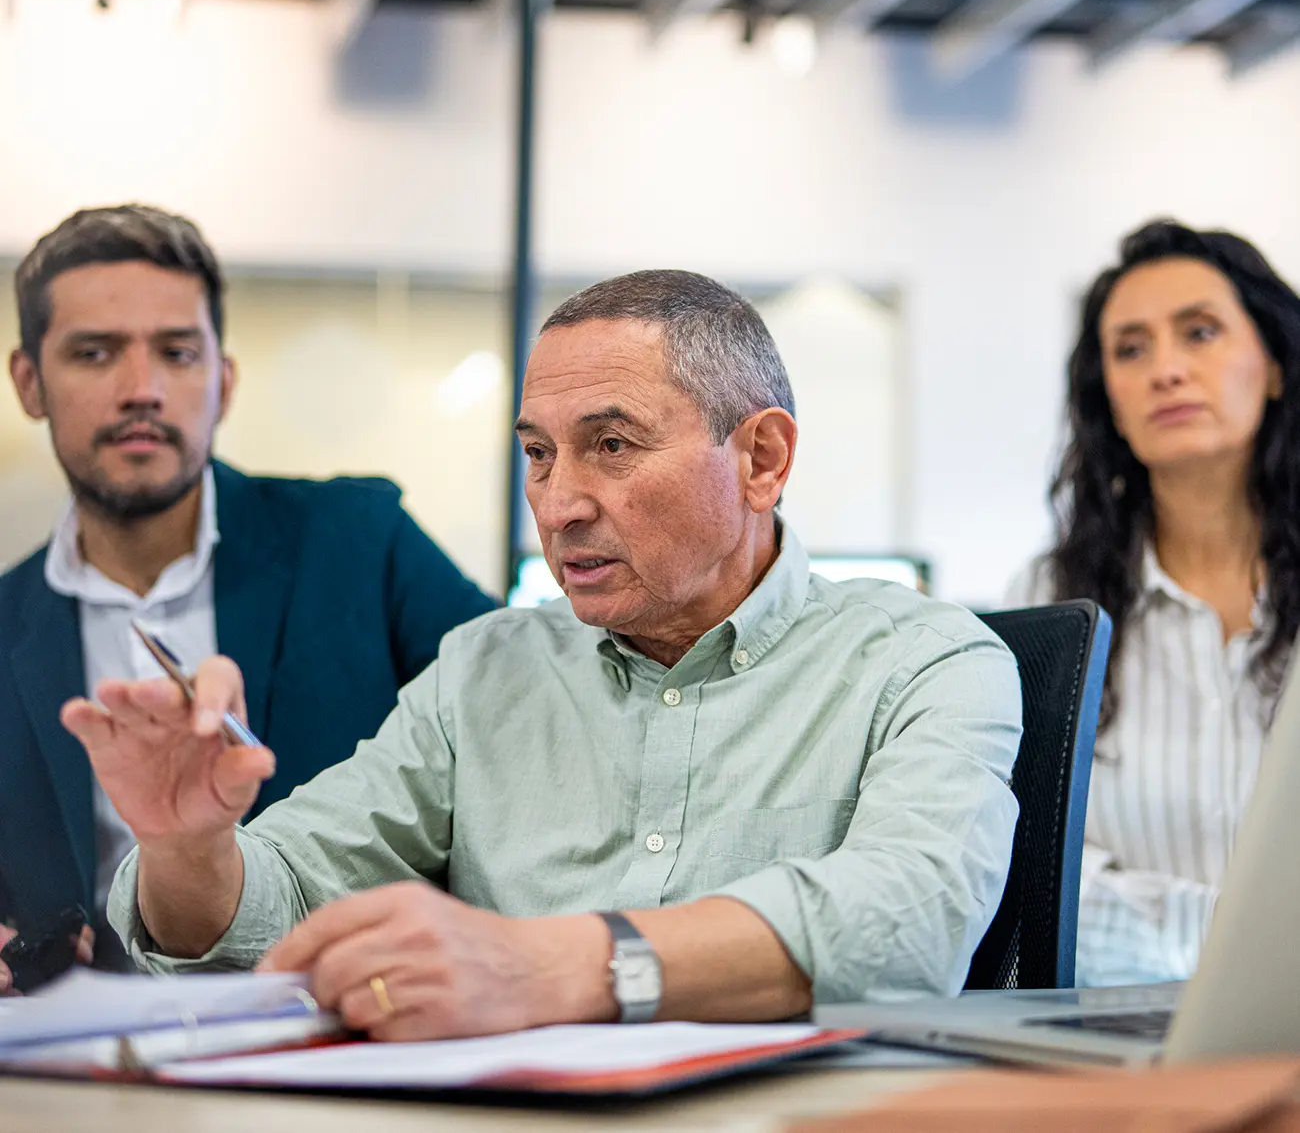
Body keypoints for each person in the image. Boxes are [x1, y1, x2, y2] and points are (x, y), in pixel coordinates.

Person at [72, 269, 1021, 1036]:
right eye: (537, 454)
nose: (558, 503)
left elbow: (907, 918)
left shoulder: (924, 659)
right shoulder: (484, 671)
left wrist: (551, 966)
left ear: (762, 459)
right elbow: (277, 896)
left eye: (611, 444)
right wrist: (188, 845)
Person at [0, 205, 496, 990]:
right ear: (29, 382)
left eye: (178, 353)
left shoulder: (360, 540)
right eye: (94, 354)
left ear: (222, 382)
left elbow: (528, 717)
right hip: (77, 1073)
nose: (143, 390)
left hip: (347, 1038)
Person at [1008, 219, 1300, 987]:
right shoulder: (1048, 604)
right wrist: (1242, 948)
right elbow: (1036, 878)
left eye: (1200, 333)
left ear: (1273, 367)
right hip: (1117, 1038)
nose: (1166, 369)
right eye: (1131, 349)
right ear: (1108, 396)